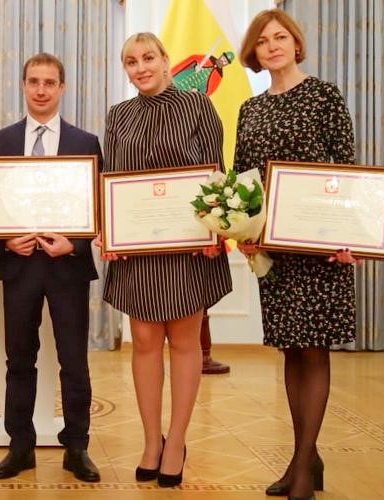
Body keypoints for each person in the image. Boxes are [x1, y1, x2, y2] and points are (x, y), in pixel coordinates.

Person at [234, 9, 357, 500]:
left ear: (296, 43)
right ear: (255, 53)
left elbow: (347, 170)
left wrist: (350, 237)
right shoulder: (250, 109)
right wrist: (242, 230)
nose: (273, 46)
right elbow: (244, 180)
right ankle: (306, 456)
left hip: (320, 246)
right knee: (290, 347)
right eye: (263, 41)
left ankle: (302, 468)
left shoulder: (325, 95)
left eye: (280, 37)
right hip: (274, 252)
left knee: (314, 348)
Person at [101, 32, 232, 488]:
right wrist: (110, 231)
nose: (141, 67)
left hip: (187, 246)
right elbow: (111, 178)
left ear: (165, 60)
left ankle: (176, 441)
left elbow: (215, 174)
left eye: (148, 58)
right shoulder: (118, 115)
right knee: (143, 340)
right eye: (131, 61)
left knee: (184, 341)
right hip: (138, 248)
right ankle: (150, 442)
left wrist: (212, 229)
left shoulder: (198, 106)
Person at [0, 53, 102, 483]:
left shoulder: (85, 142)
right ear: (23, 85)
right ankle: (20, 446)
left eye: (49, 82)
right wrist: (3, 239)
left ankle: (77, 447)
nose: (40, 90)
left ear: (62, 87)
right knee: (19, 360)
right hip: (20, 267)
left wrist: (75, 243)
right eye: (33, 81)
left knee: (74, 360)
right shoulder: (1, 141)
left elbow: (97, 206)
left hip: (68, 266)